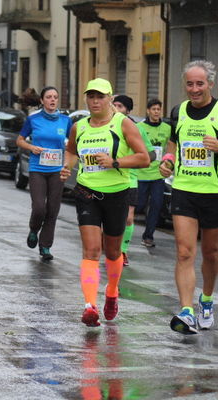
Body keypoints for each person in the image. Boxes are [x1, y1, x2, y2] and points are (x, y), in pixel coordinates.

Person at [160, 60, 218, 334]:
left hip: (216, 192)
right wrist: (167, 159)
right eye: (190, 83)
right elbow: (174, 143)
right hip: (184, 189)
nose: (195, 89)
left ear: (210, 84)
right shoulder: (178, 112)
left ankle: (207, 299)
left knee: (210, 252)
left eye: (200, 83)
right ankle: (187, 310)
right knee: (184, 251)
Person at [60, 78, 149, 327]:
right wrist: (68, 167)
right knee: (90, 251)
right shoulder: (79, 127)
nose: (95, 101)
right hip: (87, 191)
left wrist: (115, 162)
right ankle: (90, 305)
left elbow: (144, 158)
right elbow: (71, 151)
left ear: (110, 98)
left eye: (100, 96)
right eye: (91, 96)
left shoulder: (124, 124)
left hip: (117, 194)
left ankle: (111, 291)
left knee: (112, 251)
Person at [17, 86, 72, 261]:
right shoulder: (33, 119)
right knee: (39, 207)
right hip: (38, 169)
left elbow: (72, 146)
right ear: (42, 100)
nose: (52, 100)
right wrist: (31, 147)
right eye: (49, 97)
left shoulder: (66, 120)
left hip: (57, 170)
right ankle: (34, 229)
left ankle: (45, 246)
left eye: (55, 97)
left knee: (53, 209)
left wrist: (67, 164)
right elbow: (19, 140)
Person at [112, 94, 155, 266]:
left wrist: (139, 161)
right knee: (110, 218)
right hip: (108, 179)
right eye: (113, 105)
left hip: (130, 179)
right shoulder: (105, 126)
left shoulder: (137, 129)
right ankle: (110, 247)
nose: (116, 109)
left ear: (128, 110)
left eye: (120, 106)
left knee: (128, 218)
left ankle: (122, 251)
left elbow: (151, 154)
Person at [137, 99, 172, 247]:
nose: (156, 112)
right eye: (154, 109)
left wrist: (168, 164)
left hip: (158, 174)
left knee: (156, 205)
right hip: (141, 174)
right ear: (148, 111)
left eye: (159, 109)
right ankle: (122, 230)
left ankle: (148, 236)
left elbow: (170, 149)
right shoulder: (139, 127)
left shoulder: (167, 128)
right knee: (138, 205)